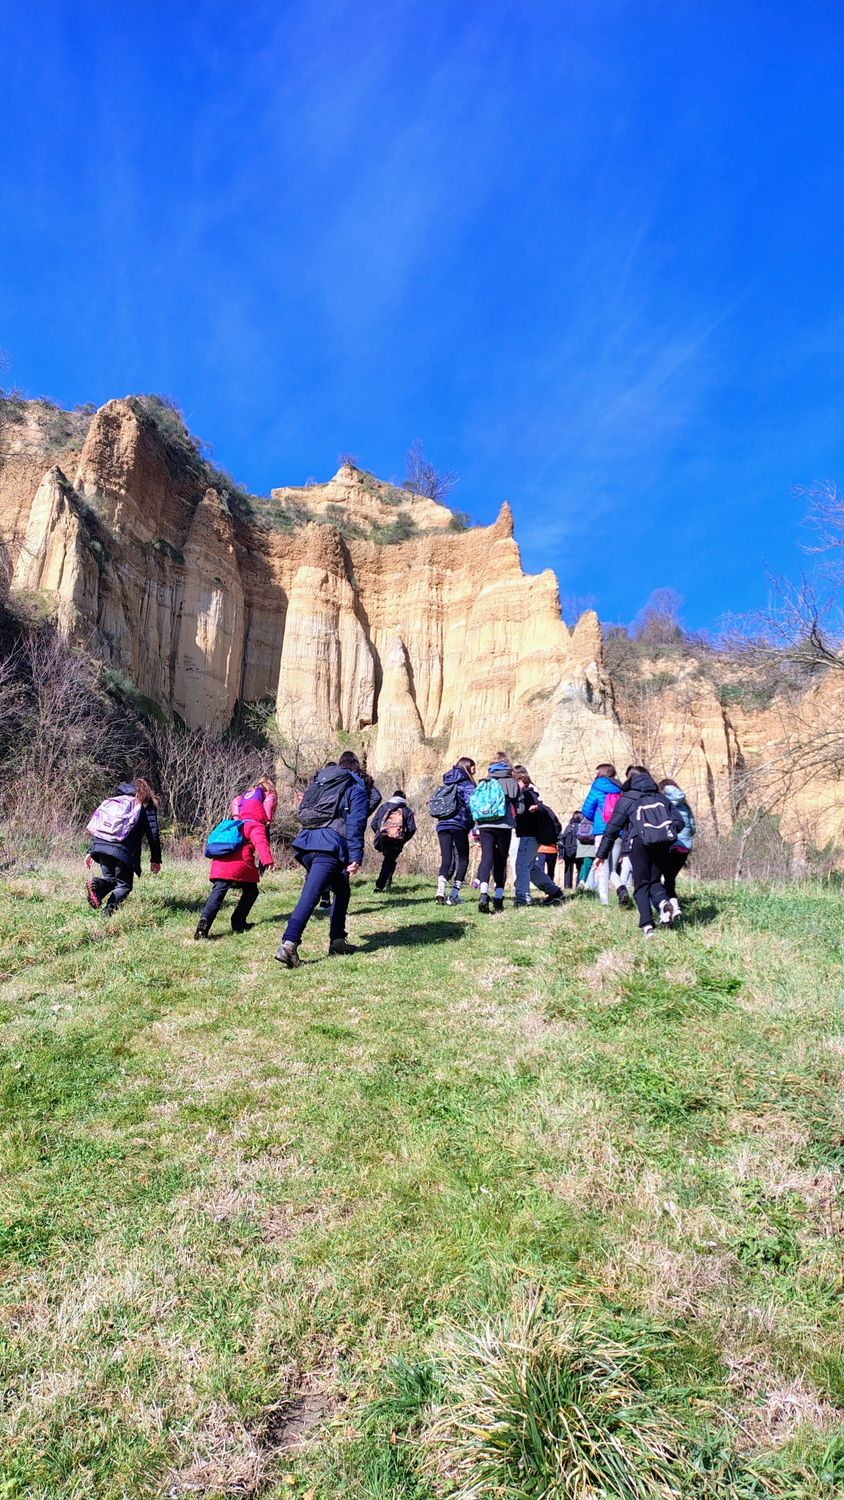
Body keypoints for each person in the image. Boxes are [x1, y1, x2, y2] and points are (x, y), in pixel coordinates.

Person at [275, 750, 369, 968]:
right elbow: (356, 824)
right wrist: (355, 855)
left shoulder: (320, 785)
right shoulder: (356, 789)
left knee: (342, 889)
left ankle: (337, 940)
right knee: (311, 894)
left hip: (306, 844)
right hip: (329, 847)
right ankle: (288, 945)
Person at [594, 767, 683, 935]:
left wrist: (601, 855)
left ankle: (647, 926)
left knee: (641, 884)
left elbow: (612, 829)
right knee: (655, 881)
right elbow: (679, 822)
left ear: (630, 780)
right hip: (663, 844)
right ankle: (664, 904)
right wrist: (663, 833)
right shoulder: (661, 797)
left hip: (638, 844)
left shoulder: (627, 798)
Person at [194, 791, 274, 939]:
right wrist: (268, 861)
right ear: (260, 811)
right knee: (251, 891)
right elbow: (261, 843)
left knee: (218, 893)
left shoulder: (233, 824)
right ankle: (238, 921)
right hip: (240, 865)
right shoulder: (255, 825)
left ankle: (203, 924)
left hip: (219, 863)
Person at [85, 778, 162, 914]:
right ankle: (108, 911)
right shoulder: (145, 804)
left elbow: (100, 825)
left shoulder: (115, 800)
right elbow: (153, 833)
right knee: (124, 885)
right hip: (124, 851)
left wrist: (91, 850)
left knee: (110, 880)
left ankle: (97, 886)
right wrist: (155, 859)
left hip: (101, 846)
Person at [470, 754, 521, 913]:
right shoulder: (511, 783)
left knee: (487, 858)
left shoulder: (484, 782)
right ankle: (498, 898)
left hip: (485, 824)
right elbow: (520, 809)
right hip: (504, 826)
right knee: (500, 860)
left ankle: (483, 893)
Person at [512, 767, 563, 906]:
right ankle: (555, 892)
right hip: (532, 835)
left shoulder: (527, 795)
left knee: (522, 865)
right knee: (530, 867)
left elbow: (537, 808)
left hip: (530, 835)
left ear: (521, 780)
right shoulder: (531, 793)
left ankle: (522, 897)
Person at [433, 756, 476, 904]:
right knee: (463, 859)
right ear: (467, 767)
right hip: (458, 824)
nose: (474, 770)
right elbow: (472, 804)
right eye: (472, 767)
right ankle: (454, 895)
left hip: (442, 824)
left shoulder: (447, 780)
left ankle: (440, 889)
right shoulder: (467, 783)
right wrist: (472, 824)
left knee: (446, 859)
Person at [580, 763, 623, 905]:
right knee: (613, 867)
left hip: (602, 831)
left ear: (601, 773)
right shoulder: (621, 788)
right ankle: (621, 888)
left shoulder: (597, 786)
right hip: (619, 831)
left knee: (602, 866)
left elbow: (587, 809)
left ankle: (604, 901)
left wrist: (596, 819)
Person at [658, 778, 696, 919]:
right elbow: (692, 828)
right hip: (684, 848)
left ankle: (670, 906)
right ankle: (673, 905)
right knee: (670, 878)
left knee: (656, 879)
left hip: (668, 846)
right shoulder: (685, 805)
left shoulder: (661, 803)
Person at [371, 789, 416, 892]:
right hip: (396, 841)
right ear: (404, 799)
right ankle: (380, 886)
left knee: (388, 860)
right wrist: (403, 839)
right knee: (388, 861)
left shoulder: (384, 807)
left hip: (383, 839)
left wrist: (380, 834)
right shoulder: (406, 810)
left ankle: (386, 881)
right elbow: (412, 828)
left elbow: (373, 824)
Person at [559, 810, 582, 890]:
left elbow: (562, 838)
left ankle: (567, 887)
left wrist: (561, 855)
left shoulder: (569, 827)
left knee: (568, 869)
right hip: (579, 851)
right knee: (580, 869)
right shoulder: (582, 827)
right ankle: (579, 887)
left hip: (567, 851)